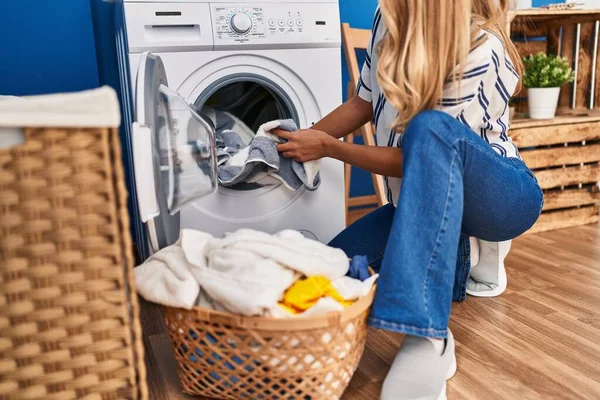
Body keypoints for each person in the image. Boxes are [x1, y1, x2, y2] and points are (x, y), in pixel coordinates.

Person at [272, 0, 543, 398]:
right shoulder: (389, 16)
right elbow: (362, 103)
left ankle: (429, 338)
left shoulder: (481, 47)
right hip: (422, 204)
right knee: (332, 272)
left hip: (503, 199)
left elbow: (421, 155)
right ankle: (460, 244)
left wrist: (330, 148)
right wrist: (302, 139)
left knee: (429, 130)